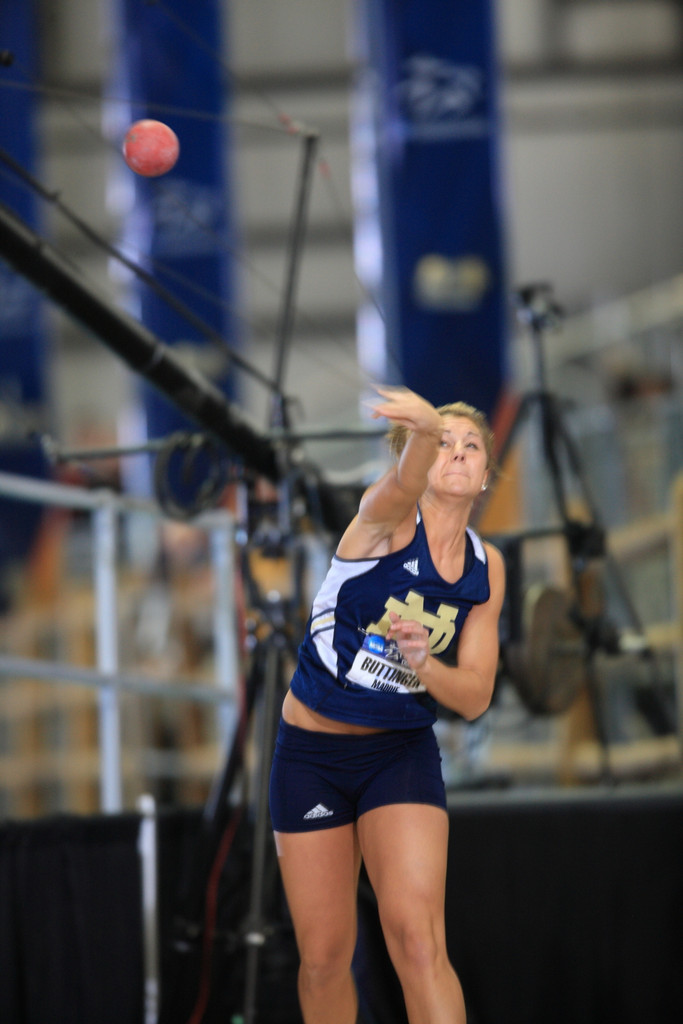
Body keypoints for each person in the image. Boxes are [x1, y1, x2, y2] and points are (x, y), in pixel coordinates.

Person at [269, 385, 505, 1024]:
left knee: (419, 941)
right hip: (313, 751)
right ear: (417, 458)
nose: (456, 453)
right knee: (324, 957)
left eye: (471, 445)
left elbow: (477, 696)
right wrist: (426, 427)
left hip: (398, 751)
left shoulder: (488, 567)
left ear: (487, 475)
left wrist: (428, 665)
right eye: (442, 443)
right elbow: (405, 477)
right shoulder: (386, 515)